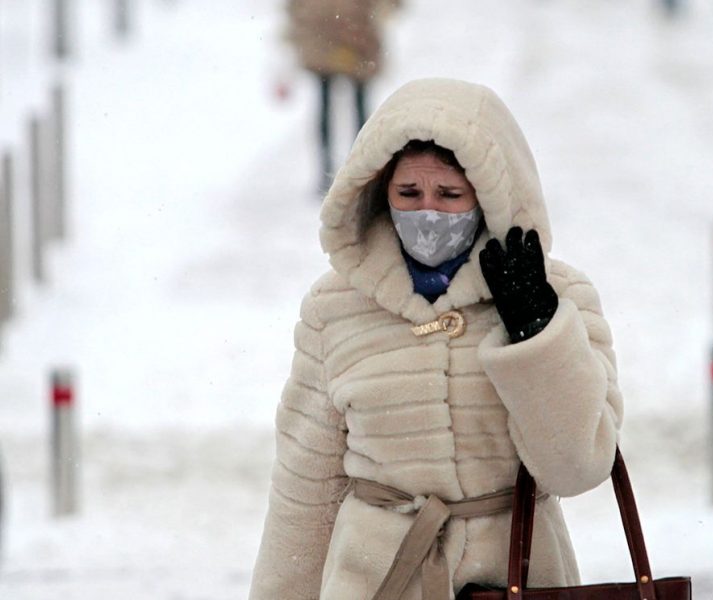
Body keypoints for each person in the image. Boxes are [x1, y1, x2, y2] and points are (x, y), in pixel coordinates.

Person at [249, 78, 624, 600]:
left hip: (518, 578)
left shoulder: (558, 296)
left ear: (489, 197)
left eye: (449, 195)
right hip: (378, 582)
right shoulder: (334, 308)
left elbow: (578, 467)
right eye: (409, 193)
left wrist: (536, 335)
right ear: (381, 195)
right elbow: (305, 490)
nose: (427, 212)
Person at [284, 0, 396, 191]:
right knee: (332, 106)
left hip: (354, 34)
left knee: (354, 108)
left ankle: (359, 169)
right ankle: (333, 170)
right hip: (333, 34)